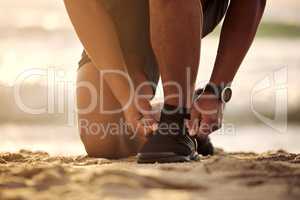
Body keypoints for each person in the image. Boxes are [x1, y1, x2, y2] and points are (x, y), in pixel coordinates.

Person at [63, 0, 266, 163]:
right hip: (121, 16)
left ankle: (177, 120)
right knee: (103, 139)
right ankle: (181, 119)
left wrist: (217, 90)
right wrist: (127, 96)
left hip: (190, 6)